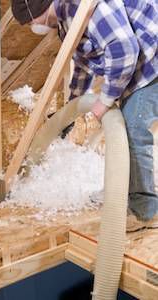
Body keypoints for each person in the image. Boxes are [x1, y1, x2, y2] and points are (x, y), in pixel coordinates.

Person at [11, 0, 158, 231]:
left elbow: (125, 49)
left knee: (131, 131)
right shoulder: (66, 21)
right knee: (125, 131)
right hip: (143, 61)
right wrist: (69, 112)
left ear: (37, 12)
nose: (32, 27)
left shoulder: (81, 6)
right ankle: (121, 195)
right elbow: (83, 65)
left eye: (29, 22)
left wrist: (106, 99)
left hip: (153, 60)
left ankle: (145, 213)